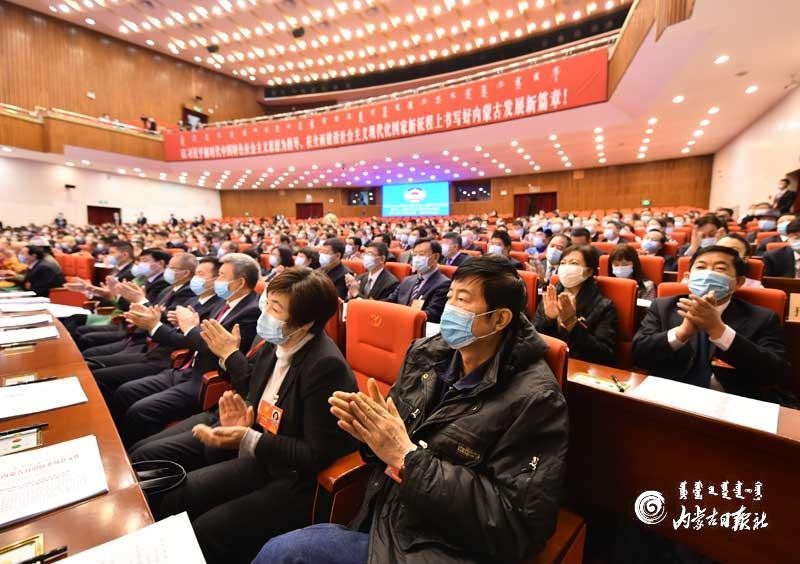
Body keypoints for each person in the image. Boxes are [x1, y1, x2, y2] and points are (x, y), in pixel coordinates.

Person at [255, 256, 568, 564]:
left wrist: (407, 458)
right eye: (449, 297)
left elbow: (516, 525)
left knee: (286, 553)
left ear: (499, 319)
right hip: (385, 517)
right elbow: (390, 443)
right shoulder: (427, 355)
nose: (449, 309)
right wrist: (370, 435)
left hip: (444, 546)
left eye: (462, 300)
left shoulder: (536, 399)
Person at [155, 269, 357, 564]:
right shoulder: (276, 344)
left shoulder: (325, 367)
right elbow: (256, 393)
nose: (266, 313)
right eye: (268, 302)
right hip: (264, 454)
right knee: (176, 496)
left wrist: (249, 437)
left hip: (295, 478)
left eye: (276, 308)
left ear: (305, 323)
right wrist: (245, 421)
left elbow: (316, 454)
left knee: (206, 531)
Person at [113, 253, 261, 446]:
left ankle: (135, 452)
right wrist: (190, 326)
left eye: (222, 276)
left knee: (140, 411)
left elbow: (214, 347)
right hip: (186, 368)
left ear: (240, 282)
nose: (217, 281)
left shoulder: (250, 311)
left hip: (206, 380)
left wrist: (190, 328)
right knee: (125, 391)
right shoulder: (225, 303)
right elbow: (201, 336)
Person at [633, 246, 789, 402]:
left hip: (730, 402)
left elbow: (775, 373)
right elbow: (638, 355)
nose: (708, 274)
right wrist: (680, 334)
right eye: (701, 267)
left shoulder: (763, 317)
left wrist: (719, 331)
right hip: (668, 397)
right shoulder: (663, 307)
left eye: (720, 269)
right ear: (688, 277)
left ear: (738, 282)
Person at [534, 245, 618, 365]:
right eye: (563, 263)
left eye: (573, 263)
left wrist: (572, 324)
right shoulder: (551, 296)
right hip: (545, 363)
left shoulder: (604, 306)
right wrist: (548, 319)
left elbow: (605, 354)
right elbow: (532, 337)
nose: (566, 267)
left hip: (579, 367)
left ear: (589, 271)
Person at [383, 238, 450, 323]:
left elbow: (433, 314)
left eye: (421, 254)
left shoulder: (444, 284)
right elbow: (390, 300)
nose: (417, 258)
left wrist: (401, 315)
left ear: (436, 257)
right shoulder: (407, 280)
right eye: (415, 255)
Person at [1, 245, 65, 297]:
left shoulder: (43, 267)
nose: (21, 256)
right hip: (31, 293)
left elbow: (39, 290)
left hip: (44, 297)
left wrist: (23, 292)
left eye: (23, 254)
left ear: (33, 256)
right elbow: (27, 282)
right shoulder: (34, 264)